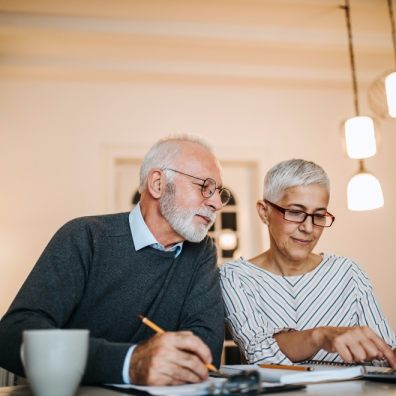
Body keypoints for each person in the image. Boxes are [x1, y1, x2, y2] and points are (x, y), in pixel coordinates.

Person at [0, 135, 231, 385]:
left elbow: (203, 354)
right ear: (157, 183)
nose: (217, 203)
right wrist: (129, 362)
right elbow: (12, 337)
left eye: (219, 192)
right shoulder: (85, 236)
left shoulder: (201, 251)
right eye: (205, 186)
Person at [220, 159, 396, 368]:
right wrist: (319, 336)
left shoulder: (348, 272)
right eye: (295, 212)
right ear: (264, 212)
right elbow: (261, 354)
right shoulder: (235, 276)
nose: (309, 228)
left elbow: (385, 354)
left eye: (319, 215)